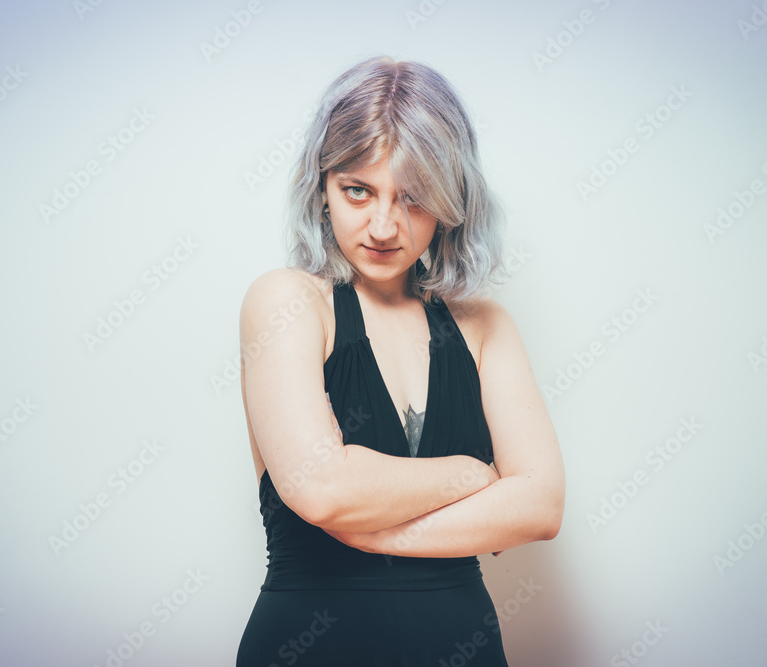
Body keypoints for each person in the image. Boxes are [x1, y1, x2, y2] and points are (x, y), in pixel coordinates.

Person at [236, 55, 565, 666]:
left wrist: (373, 529)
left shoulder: (485, 325)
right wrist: (473, 474)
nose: (383, 226)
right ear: (322, 187)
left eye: (412, 198)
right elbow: (323, 491)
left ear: (451, 200)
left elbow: (541, 506)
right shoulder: (287, 302)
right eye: (357, 190)